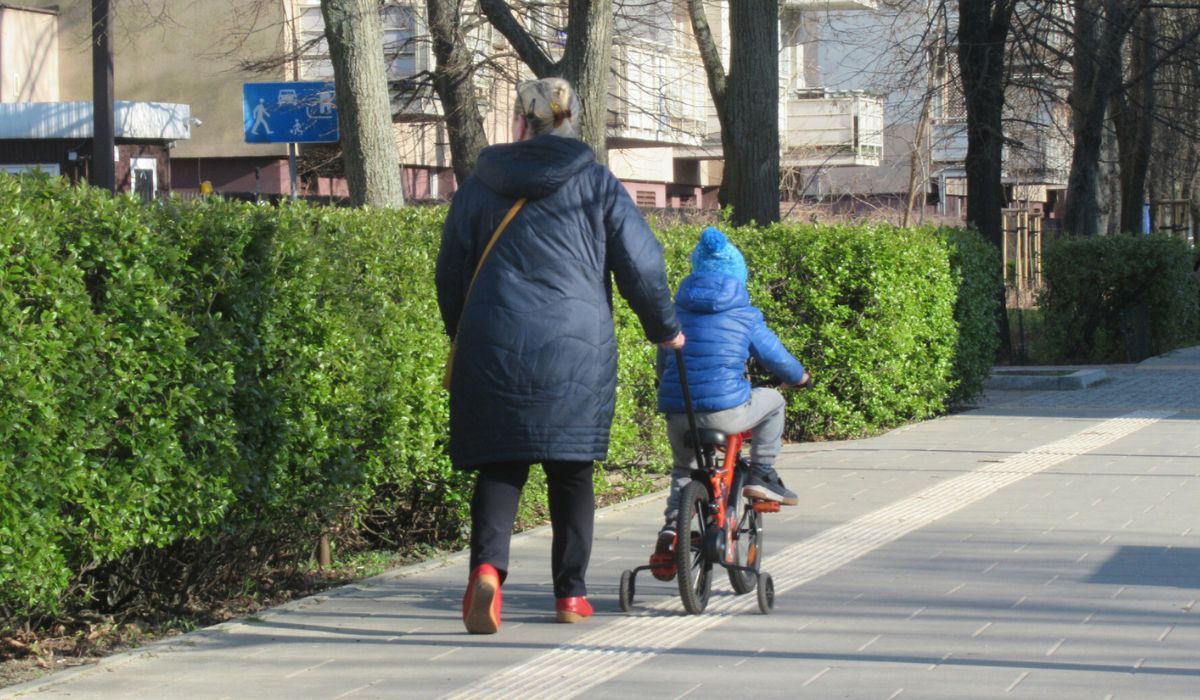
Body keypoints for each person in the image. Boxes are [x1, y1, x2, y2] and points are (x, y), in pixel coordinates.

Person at [435, 77, 683, 634]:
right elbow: (641, 265)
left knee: (500, 466)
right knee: (571, 471)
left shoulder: (478, 187)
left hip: (492, 342)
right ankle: (569, 596)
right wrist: (665, 329)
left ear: (521, 123)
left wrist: (464, 332)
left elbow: (450, 272)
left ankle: (488, 574)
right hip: (576, 348)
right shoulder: (597, 183)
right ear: (571, 120)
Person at [650, 227, 810, 581]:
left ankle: (673, 528)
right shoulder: (744, 314)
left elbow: (664, 365)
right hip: (728, 411)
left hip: (681, 412)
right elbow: (776, 359)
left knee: (684, 470)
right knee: (774, 401)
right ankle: (762, 473)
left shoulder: (675, 312)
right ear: (739, 276)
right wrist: (800, 378)